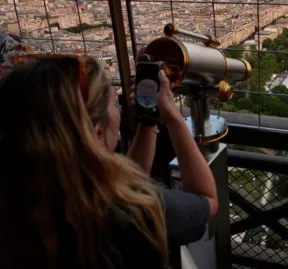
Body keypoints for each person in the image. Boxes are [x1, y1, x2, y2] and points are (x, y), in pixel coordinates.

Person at [0, 46, 218, 268]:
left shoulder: (18, 205)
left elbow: (125, 183)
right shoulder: (132, 214)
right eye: (114, 103)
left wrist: (148, 117)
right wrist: (173, 117)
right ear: (96, 134)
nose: (119, 111)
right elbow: (206, 201)